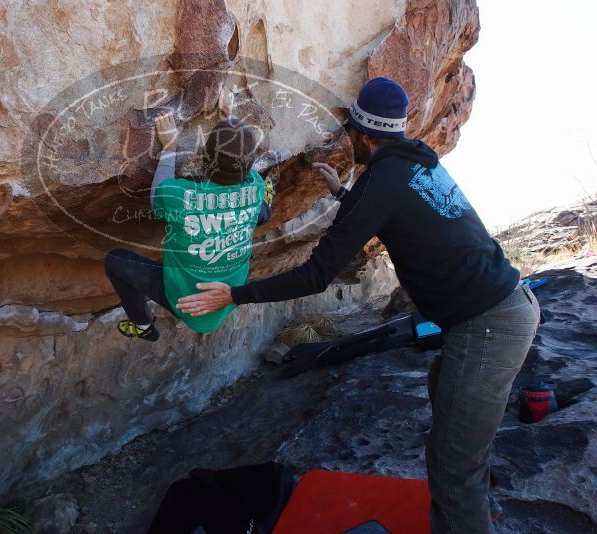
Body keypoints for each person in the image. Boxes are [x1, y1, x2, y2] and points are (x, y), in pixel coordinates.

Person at [176, 77, 541, 533]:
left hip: (488, 326)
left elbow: (315, 275)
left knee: (452, 463)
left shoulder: (379, 182)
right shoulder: (418, 161)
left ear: (365, 135)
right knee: (452, 414)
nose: (348, 138)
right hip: (505, 308)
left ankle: (470, 520)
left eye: (350, 130)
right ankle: (479, 508)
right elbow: (403, 214)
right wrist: (342, 194)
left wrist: (236, 293)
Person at [104, 87, 274, 341]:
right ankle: (264, 211)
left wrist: (170, 146)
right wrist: (228, 117)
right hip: (227, 297)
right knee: (259, 210)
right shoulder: (255, 186)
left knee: (115, 261)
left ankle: (142, 326)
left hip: (182, 301)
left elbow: (157, 195)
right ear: (249, 167)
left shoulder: (181, 197)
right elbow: (242, 163)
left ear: (204, 158)